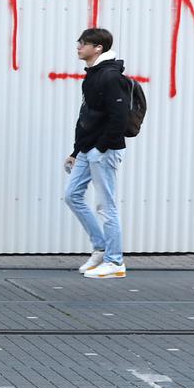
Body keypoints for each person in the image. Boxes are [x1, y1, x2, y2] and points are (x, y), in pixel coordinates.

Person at [65, 27, 130, 279]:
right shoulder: (93, 75)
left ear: (98, 48)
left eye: (83, 43)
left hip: (103, 151)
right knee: (72, 195)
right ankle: (101, 248)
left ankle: (115, 262)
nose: (78, 47)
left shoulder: (110, 76)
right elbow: (87, 117)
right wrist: (76, 150)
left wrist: (101, 148)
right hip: (88, 149)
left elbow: (119, 117)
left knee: (106, 205)